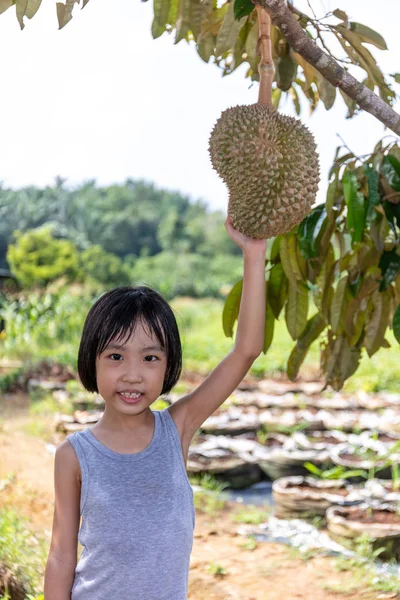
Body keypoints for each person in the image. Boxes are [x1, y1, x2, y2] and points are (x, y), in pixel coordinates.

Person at [44, 217, 266, 600]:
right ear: (91, 361)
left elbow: (246, 349)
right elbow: (62, 556)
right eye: (116, 356)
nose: (133, 375)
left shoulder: (177, 428)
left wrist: (254, 254)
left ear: (168, 365)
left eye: (150, 358)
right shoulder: (74, 456)